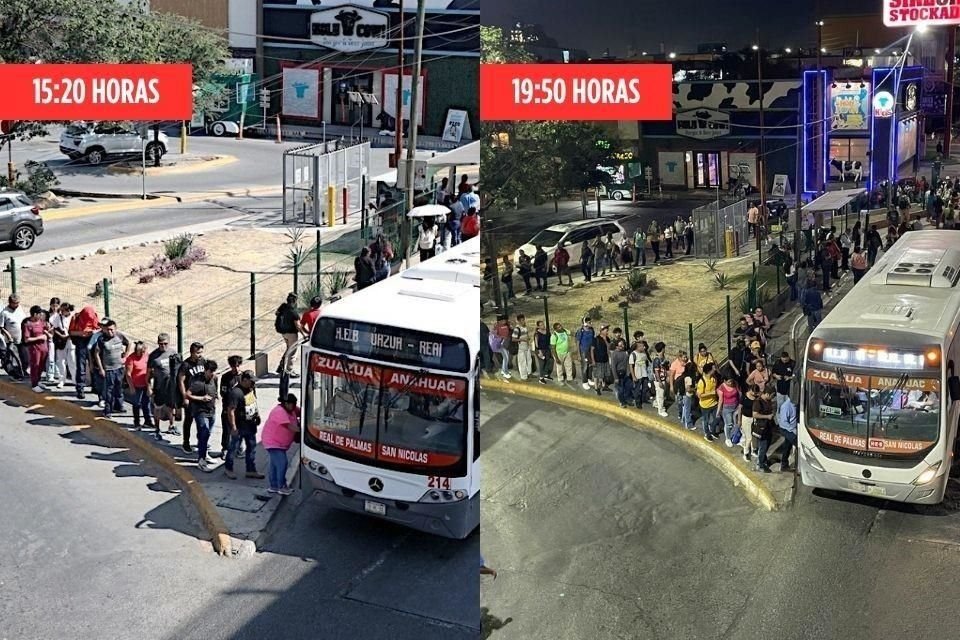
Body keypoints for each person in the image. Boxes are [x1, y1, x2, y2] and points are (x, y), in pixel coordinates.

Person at [224, 370, 264, 481]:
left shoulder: (251, 389)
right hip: (240, 426)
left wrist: (258, 415)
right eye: (251, 381)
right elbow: (230, 410)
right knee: (234, 448)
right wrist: (233, 427)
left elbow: (253, 403)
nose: (253, 383)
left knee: (252, 448)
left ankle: (251, 470)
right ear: (244, 380)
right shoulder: (236, 393)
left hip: (250, 425)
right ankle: (228, 468)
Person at [91, 319, 131, 418]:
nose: (110, 332)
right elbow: (96, 353)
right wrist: (101, 368)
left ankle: (119, 406)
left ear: (115, 329)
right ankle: (107, 410)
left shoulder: (119, 336)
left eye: (112, 330)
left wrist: (125, 355)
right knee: (108, 391)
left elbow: (128, 343)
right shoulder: (101, 339)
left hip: (119, 368)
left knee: (119, 388)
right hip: (109, 369)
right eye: (108, 330)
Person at [263, 393, 301, 495]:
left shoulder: (291, 408)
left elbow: (300, 411)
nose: (293, 407)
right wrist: (303, 431)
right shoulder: (279, 411)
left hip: (280, 443)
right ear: (286, 403)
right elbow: (289, 427)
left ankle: (274, 486)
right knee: (282, 464)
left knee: (274, 465)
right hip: (273, 442)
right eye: (292, 404)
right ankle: (282, 486)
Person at [186, 360, 219, 472]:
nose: (212, 374)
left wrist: (216, 396)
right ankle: (201, 460)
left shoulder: (214, 378)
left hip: (211, 411)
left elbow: (215, 389)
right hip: (200, 412)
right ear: (205, 370)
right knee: (203, 433)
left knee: (207, 434)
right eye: (210, 371)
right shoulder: (197, 382)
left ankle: (204, 453)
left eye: (214, 371)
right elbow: (188, 394)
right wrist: (201, 398)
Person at [176, 341, 207, 454]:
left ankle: (201, 441)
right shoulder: (186, 365)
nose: (200, 355)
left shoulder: (203, 361)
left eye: (201, 352)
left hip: (201, 396)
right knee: (189, 420)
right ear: (192, 353)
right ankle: (186, 443)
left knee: (202, 420)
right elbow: (181, 381)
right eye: (198, 353)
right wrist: (185, 397)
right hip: (190, 396)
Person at [146, 333, 178, 441]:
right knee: (158, 408)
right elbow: (148, 373)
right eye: (161, 344)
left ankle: (172, 425)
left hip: (170, 386)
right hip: (159, 387)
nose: (163, 346)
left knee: (171, 407)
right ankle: (157, 429)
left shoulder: (173, 353)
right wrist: (149, 387)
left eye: (165, 344)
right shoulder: (153, 356)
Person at [124, 341, 154, 431]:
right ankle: (137, 422)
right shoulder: (131, 359)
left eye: (144, 351)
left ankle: (147, 421)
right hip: (136, 385)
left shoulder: (147, 356)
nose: (142, 353)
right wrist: (131, 387)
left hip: (145, 384)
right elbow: (128, 374)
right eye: (141, 351)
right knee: (136, 403)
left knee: (146, 403)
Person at [22, 305, 51, 392]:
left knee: (41, 366)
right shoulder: (28, 324)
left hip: (44, 348)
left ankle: (38, 381)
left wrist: (48, 329)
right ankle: (34, 384)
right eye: (39, 314)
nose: (41, 315)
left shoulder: (41, 322)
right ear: (34, 314)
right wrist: (40, 338)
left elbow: (46, 329)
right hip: (35, 349)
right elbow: (26, 339)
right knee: (35, 366)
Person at [275, 293, 302, 376]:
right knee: (292, 352)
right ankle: (289, 371)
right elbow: (298, 325)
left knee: (288, 349)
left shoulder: (283, 306)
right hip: (292, 334)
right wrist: (304, 334)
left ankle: (282, 365)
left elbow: (276, 313)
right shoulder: (294, 312)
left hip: (283, 332)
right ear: (294, 301)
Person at [0, 294, 26, 379]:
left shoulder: (20, 309)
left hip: (22, 338)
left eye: (18, 303)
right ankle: (16, 374)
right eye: (15, 303)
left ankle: (23, 371)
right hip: (11, 340)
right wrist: (8, 336)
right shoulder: (4, 313)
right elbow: (1, 327)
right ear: (10, 303)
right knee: (15, 359)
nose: (17, 305)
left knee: (25, 358)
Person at [50, 302, 75, 389]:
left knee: (72, 361)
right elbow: (54, 328)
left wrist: (69, 336)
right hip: (61, 342)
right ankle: (61, 380)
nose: (62, 312)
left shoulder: (73, 317)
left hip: (71, 341)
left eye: (64, 310)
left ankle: (74, 379)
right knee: (61, 362)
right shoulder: (57, 317)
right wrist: (62, 336)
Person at [752, 386, 776, 473]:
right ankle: (760, 465)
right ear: (767, 394)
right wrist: (767, 416)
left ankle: (764, 460)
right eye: (772, 395)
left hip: (768, 427)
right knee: (763, 447)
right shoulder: (758, 402)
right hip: (761, 428)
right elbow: (755, 414)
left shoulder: (768, 401)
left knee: (766, 445)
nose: (773, 397)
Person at [697, 362, 720, 440]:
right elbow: (699, 395)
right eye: (713, 368)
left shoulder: (714, 378)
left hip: (714, 403)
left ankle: (712, 430)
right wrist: (711, 393)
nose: (714, 369)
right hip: (705, 405)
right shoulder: (702, 382)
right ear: (709, 371)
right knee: (706, 421)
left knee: (717, 418)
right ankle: (707, 434)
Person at [716, 375, 741, 448]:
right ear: (724, 381)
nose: (731, 383)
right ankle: (728, 438)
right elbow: (720, 401)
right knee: (728, 424)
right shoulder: (721, 388)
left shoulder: (735, 384)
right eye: (729, 382)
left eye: (731, 381)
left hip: (736, 407)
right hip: (727, 408)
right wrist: (718, 411)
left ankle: (734, 436)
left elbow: (738, 394)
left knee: (735, 423)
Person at [776, 394, 798, 472]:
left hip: (792, 428)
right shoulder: (786, 406)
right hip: (786, 429)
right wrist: (794, 430)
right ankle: (798, 466)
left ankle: (784, 465)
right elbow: (783, 423)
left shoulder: (795, 403)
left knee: (787, 446)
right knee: (798, 444)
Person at [590, 324, 613, 395]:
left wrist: (605, 340)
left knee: (604, 373)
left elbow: (609, 347)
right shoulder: (596, 339)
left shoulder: (607, 338)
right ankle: (596, 388)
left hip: (605, 359)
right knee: (597, 375)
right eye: (606, 330)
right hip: (598, 360)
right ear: (601, 331)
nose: (607, 332)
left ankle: (604, 385)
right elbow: (592, 350)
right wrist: (593, 360)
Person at [629, 340, 651, 409]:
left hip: (644, 374)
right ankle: (638, 402)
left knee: (645, 388)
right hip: (637, 375)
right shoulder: (633, 355)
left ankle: (643, 399)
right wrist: (633, 376)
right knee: (637, 390)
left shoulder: (644, 353)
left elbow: (646, 363)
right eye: (642, 346)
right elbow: (631, 366)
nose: (644, 347)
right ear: (637, 347)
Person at [740, 384, 759, 462]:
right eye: (753, 392)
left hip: (754, 418)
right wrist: (739, 420)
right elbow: (739, 408)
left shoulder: (757, 398)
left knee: (754, 435)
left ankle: (753, 450)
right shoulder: (744, 396)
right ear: (750, 389)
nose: (754, 394)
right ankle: (746, 453)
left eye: (756, 393)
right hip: (746, 418)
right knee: (749, 437)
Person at [575, 317, 596, 390]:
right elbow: (577, 343)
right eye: (589, 322)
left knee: (590, 366)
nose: (591, 323)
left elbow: (593, 339)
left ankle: (589, 379)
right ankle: (585, 382)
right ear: (585, 323)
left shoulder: (591, 330)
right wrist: (578, 354)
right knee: (584, 367)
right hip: (583, 351)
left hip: (590, 351)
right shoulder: (580, 331)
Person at [512, 314, 532, 380]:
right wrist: (522, 339)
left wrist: (528, 338)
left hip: (527, 346)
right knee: (522, 362)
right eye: (522, 320)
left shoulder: (525, 327)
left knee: (529, 361)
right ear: (518, 321)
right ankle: (524, 377)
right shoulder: (517, 329)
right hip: (521, 348)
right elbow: (513, 339)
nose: (523, 321)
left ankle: (529, 373)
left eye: (524, 320)